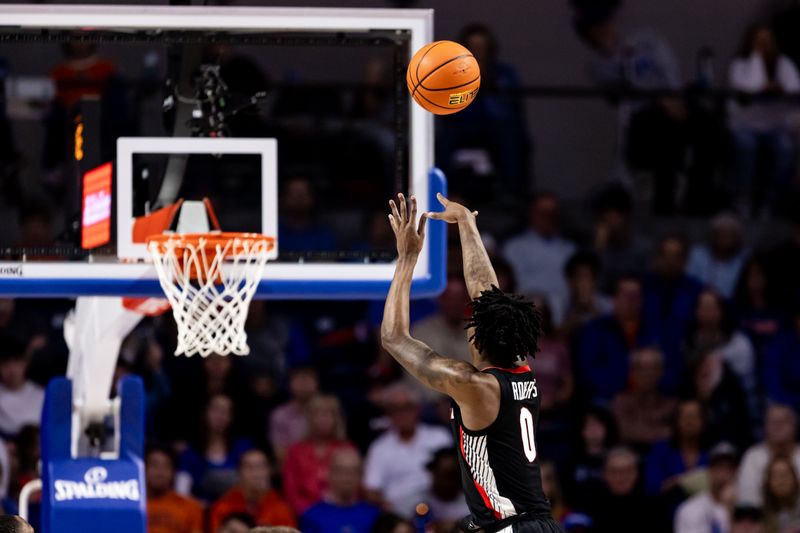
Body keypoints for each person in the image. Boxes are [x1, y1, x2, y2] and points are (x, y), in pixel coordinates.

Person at [381, 192, 562, 532]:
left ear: (477, 338)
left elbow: (393, 338)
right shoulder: (521, 365)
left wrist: (406, 259)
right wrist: (466, 223)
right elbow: (487, 292)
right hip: (539, 523)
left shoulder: (474, 385)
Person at [728, 24, 800, 215]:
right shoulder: (740, 64)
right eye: (759, 41)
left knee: (786, 148)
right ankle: (743, 199)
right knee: (746, 146)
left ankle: (771, 201)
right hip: (746, 125)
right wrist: (757, 58)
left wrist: (777, 88)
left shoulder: (783, 63)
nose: (764, 45)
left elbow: (794, 88)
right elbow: (750, 86)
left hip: (775, 125)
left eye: (767, 41)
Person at [362, 383, 451, 515]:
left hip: (440, 507)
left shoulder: (439, 438)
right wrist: (387, 506)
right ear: (388, 413)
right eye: (395, 409)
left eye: (406, 408)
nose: (401, 414)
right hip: (399, 512)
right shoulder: (379, 447)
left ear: (417, 409)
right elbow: (371, 490)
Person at [574, 275, 657, 403]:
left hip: (650, 399)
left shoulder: (654, 330)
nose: (630, 301)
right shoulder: (595, 330)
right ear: (615, 299)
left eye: (635, 296)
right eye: (625, 295)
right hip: (608, 399)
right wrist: (618, 391)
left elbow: (668, 368)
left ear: (642, 300)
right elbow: (588, 371)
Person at [642, 235, 704, 392]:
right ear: (657, 257)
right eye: (666, 255)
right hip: (645, 363)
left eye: (676, 256)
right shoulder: (643, 287)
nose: (670, 261)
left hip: (682, 364)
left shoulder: (697, 291)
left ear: (685, 260)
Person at [685, 289, 758, 419]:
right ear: (696, 311)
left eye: (712, 307)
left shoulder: (739, 343)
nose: (707, 312)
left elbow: (745, 381)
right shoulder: (687, 341)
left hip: (732, 402)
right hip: (694, 401)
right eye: (703, 307)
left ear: (722, 311)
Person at [502, 192, 576, 315]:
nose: (547, 218)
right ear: (532, 213)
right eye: (542, 213)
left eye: (551, 214)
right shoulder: (514, 248)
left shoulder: (570, 250)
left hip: (565, 313)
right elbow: (511, 288)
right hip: (525, 313)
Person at [282, 394, 355, 515]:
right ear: (310, 419)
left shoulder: (347, 449)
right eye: (318, 414)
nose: (323, 419)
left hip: (342, 512)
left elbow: (355, 489)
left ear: (336, 419)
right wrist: (311, 513)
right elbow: (290, 491)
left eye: (328, 414)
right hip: (305, 515)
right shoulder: (296, 451)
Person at [177, 393, 254, 502]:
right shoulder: (190, 453)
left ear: (231, 417)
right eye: (216, 410)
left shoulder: (243, 447)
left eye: (226, 412)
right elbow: (181, 493)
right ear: (205, 413)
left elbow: (254, 484)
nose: (220, 416)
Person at [209, 449, 295, 531]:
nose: (256, 473)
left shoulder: (281, 509)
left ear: (269, 471)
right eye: (250, 467)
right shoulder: (222, 508)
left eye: (261, 467)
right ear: (239, 472)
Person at [300, 448, 381, 533]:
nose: (347, 477)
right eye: (341, 470)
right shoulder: (311, 516)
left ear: (361, 476)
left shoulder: (373, 516)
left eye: (353, 471)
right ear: (329, 473)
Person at [579, 447, 658, 533]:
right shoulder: (589, 507)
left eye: (627, 471)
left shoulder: (653, 508)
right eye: (614, 471)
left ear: (636, 474)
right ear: (604, 475)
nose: (621, 477)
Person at [611, 348, 677, 448]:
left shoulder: (672, 405)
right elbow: (624, 431)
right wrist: (662, 432)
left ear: (661, 372)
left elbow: (679, 433)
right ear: (632, 372)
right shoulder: (620, 402)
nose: (647, 374)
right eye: (641, 368)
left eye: (653, 368)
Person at [591, 184, 651, 292]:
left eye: (615, 217)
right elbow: (595, 287)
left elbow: (647, 287)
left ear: (625, 217)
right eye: (605, 219)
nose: (610, 223)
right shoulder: (597, 249)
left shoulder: (643, 249)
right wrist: (599, 251)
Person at [644, 400, 709, 498]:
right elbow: (653, 487)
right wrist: (683, 482)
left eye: (694, 417)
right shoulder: (661, 450)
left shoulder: (712, 452)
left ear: (703, 422)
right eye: (685, 417)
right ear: (676, 422)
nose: (689, 422)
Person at [737, 404, 800, 506]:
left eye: (783, 421)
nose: (778, 426)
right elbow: (747, 499)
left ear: (794, 425)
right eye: (773, 422)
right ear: (765, 426)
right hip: (762, 518)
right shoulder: (753, 457)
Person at [674, 442, 739, 533]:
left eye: (729, 468)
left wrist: (730, 510)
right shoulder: (690, 509)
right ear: (709, 470)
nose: (723, 474)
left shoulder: (746, 511)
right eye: (718, 467)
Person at [402, 448, 470, 530]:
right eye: (442, 475)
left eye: (451, 475)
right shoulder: (415, 501)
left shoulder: (471, 504)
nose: (446, 481)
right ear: (432, 471)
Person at [409, 276, 473, 364]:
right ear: (440, 299)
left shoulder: (478, 333)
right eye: (450, 298)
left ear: (467, 300)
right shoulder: (420, 330)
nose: (454, 304)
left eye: (459, 298)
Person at [687, 214, 749, 299]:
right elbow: (689, 283)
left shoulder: (745, 257)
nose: (724, 240)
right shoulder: (697, 255)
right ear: (712, 236)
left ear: (737, 238)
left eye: (729, 235)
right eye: (720, 234)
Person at [733, 255, 784, 357]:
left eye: (759, 276)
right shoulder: (735, 309)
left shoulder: (781, 310)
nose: (756, 281)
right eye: (751, 276)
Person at [145, 446, 204, 533]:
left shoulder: (191, 507)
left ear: (173, 472)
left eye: (166, 466)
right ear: (143, 469)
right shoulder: (133, 506)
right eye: (154, 465)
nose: (160, 472)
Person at [269, 366, 319, 464]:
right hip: (292, 468)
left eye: (308, 379)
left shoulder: (327, 411)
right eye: (299, 379)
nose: (303, 384)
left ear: (317, 383)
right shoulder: (279, 415)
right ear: (290, 384)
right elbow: (280, 454)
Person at [557, 250, 611, 335]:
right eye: (579, 276)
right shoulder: (559, 303)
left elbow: (610, 334)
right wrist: (578, 308)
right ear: (570, 280)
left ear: (595, 280)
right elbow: (557, 335)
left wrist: (591, 307)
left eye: (587, 276)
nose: (583, 282)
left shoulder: (607, 304)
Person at [278, 176, 337, 253]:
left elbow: (329, 262)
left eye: (303, 193)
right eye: (293, 194)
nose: (299, 198)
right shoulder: (271, 232)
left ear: (313, 198)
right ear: (283, 199)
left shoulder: (324, 235)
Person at [0, 335, 44, 438]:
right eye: (5, 363)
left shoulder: (41, 395)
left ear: (25, 363)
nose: (11, 370)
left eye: (16, 362)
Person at [763, 308, 800, 411]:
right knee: (778, 413)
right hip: (788, 404)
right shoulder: (781, 344)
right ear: (796, 320)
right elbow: (773, 382)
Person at [762, 456, 800, 533]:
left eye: (785, 475)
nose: (781, 480)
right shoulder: (760, 515)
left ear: (795, 479)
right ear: (768, 483)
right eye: (775, 476)